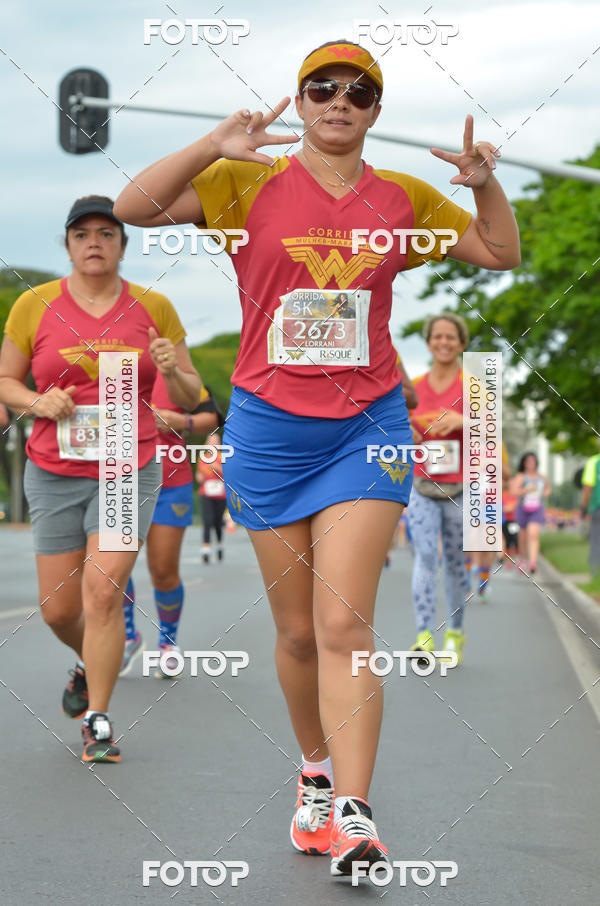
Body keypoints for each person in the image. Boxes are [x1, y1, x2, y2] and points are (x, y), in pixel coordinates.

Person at [114, 39, 519, 877]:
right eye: (322, 87)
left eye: (359, 91)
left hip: (366, 427)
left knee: (343, 624)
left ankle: (357, 816)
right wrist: (207, 145)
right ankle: (314, 770)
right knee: (297, 633)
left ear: (375, 110)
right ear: (299, 101)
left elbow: (499, 253)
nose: (340, 100)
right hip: (266, 431)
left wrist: (486, 185)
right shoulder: (242, 183)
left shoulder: (402, 199)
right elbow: (132, 207)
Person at [0, 196, 202, 762]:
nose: (95, 242)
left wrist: (169, 371)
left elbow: (190, 394)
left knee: (104, 591)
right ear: (67, 245)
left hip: (125, 465)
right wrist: (38, 401)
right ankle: (91, 661)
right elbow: (6, 382)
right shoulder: (33, 305)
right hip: (53, 470)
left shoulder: (153, 307)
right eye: (82, 234)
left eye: (106, 233)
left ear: (122, 243)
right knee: (60, 610)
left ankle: (98, 721)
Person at [120, 380, 220, 677]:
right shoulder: (109, 361)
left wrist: (181, 421)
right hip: (118, 481)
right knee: (114, 569)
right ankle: (128, 638)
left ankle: (168, 642)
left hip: (170, 483)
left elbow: (212, 418)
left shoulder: (174, 370)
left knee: (163, 570)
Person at [407, 314, 473, 660]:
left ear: (462, 344)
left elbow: (494, 430)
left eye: (451, 337)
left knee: (455, 563)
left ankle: (456, 632)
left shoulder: (473, 386)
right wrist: (410, 431)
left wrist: (465, 419)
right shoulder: (415, 388)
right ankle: (423, 634)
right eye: (437, 336)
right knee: (425, 556)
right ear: (429, 341)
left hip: (462, 489)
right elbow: (397, 424)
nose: (444, 342)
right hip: (421, 484)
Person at [513, 452, 550, 574]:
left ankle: (533, 562)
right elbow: (514, 491)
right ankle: (524, 559)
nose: (531, 464)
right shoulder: (521, 477)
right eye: (528, 461)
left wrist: (546, 492)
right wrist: (526, 489)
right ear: (524, 463)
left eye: (533, 461)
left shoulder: (541, 477)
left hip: (537, 509)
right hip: (523, 509)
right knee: (523, 536)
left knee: (533, 534)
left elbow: (548, 488)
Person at [196, 430, 228, 564]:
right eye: (211, 442)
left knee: (217, 522)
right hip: (206, 492)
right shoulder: (203, 458)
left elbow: (227, 475)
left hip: (220, 493)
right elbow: (199, 474)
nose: (213, 444)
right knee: (207, 521)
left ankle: (220, 545)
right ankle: (206, 548)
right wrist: (199, 477)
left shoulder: (223, 457)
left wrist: (216, 467)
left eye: (215, 442)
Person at [581, 449, 600, 576]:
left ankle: (594, 574)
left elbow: (588, 487)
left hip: (597, 507)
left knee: (596, 541)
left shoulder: (594, 461)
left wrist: (584, 507)